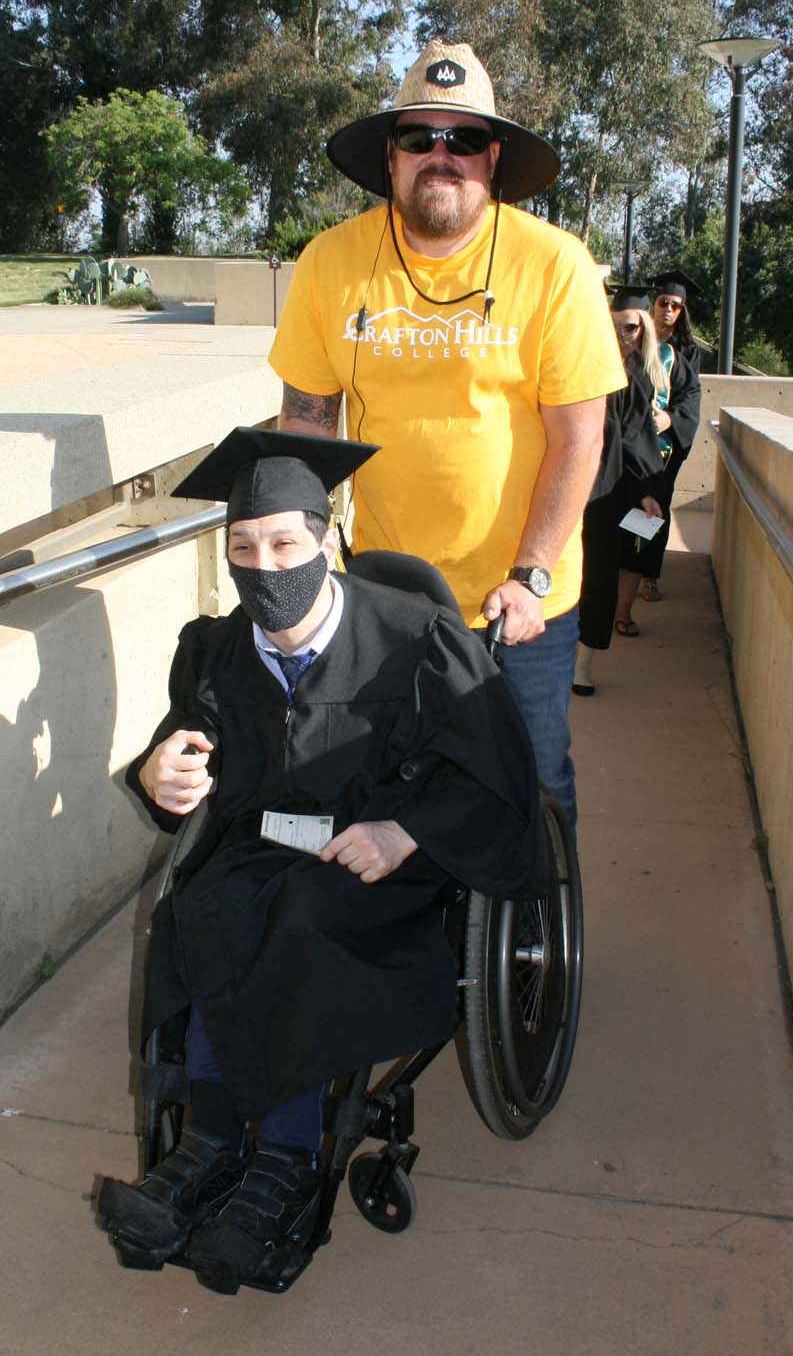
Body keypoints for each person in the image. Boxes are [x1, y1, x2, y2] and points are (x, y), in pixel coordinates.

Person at [97, 428, 545, 1295]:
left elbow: (497, 779)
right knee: (201, 909)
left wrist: (404, 831)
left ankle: (287, 1161)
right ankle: (207, 1150)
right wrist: (160, 774)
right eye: (243, 548)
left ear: (329, 538)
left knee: (295, 924)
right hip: (262, 851)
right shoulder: (218, 652)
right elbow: (184, 753)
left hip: (381, 870)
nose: (265, 566)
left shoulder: (418, 643)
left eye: (285, 544)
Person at [269, 41, 626, 824]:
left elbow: (579, 441)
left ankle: (538, 938)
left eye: (463, 140)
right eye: (419, 138)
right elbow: (305, 423)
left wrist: (530, 576)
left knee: (529, 781)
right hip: (383, 594)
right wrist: (301, 547)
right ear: (390, 157)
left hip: (521, 600)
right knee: (388, 781)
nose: (442, 156)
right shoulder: (332, 263)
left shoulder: (554, 265)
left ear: (492, 158)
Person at [571, 294, 665, 693]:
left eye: (630, 326)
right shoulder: (573, 367)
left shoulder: (635, 381)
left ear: (643, 331)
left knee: (597, 580)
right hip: (564, 486)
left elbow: (635, 440)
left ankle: (581, 667)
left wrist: (645, 492)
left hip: (606, 493)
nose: (621, 335)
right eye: (613, 325)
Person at [615, 270, 703, 631]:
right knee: (606, 540)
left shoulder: (674, 358)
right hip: (609, 464)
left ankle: (624, 611)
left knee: (641, 532)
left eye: (675, 305)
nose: (668, 308)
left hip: (654, 461)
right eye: (663, 302)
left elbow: (691, 399)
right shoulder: (600, 357)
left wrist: (670, 419)